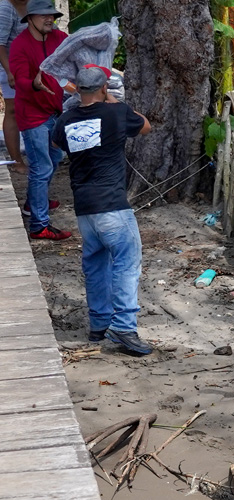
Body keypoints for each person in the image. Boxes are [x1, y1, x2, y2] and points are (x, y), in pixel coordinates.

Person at [53, 64, 153, 355]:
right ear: (103, 88)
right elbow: (145, 126)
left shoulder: (66, 120)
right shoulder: (116, 112)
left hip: (84, 207)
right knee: (126, 262)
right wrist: (111, 100)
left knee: (96, 263)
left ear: (78, 89)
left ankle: (99, 324)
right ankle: (123, 326)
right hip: (112, 205)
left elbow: (56, 141)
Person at [9, 0, 69, 240]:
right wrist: (33, 84)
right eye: (44, 15)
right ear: (30, 18)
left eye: (52, 15)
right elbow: (19, 80)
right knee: (41, 166)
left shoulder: (59, 38)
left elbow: (77, 51)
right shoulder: (20, 45)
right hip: (32, 115)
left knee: (55, 157)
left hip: (55, 111)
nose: (49, 19)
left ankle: (34, 202)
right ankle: (39, 225)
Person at [0, 0, 28, 172]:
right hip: (9, 65)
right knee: (12, 110)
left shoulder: (35, 4)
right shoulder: (5, 7)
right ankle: (16, 161)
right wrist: (10, 72)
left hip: (30, 64)